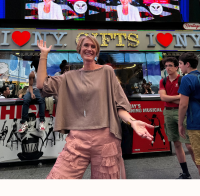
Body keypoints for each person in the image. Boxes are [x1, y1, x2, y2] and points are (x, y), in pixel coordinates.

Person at [36, 36, 154, 179]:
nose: (89, 49)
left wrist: (132, 121)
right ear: (79, 49)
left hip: (106, 139)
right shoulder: (69, 76)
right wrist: (43, 55)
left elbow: (119, 105)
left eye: (93, 47)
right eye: (86, 45)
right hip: (77, 139)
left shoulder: (107, 72)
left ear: (97, 51)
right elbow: (42, 85)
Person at [159, 57, 195, 179]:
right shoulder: (163, 81)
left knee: (189, 144)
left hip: (181, 112)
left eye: (170, 65)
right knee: (177, 143)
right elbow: (163, 98)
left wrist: (174, 97)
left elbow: (183, 98)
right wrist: (177, 97)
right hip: (168, 113)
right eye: (166, 66)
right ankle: (185, 173)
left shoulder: (182, 80)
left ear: (176, 67)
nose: (168, 68)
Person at [178, 52, 200, 176]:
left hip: (195, 123)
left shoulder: (187, 78)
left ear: (187, 64)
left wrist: (180, 124)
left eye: (180, 63)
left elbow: (183, 104)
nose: (180, 66)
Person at [18, 59, 46, 133]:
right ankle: (24, 122)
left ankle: (42, 121)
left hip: (39, 90)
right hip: (32, 89)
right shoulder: (32, 74)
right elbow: (30, 85)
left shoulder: (43, 73)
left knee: (41, 99)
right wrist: (32, 93)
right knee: (26, 100)